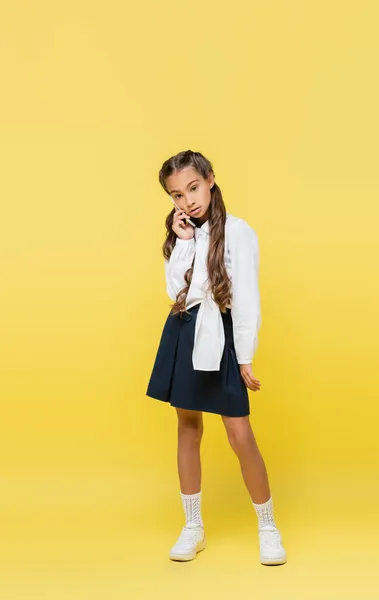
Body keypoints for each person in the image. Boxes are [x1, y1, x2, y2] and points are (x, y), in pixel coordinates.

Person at [146, 149, 287, 566]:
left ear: (209, 179)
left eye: (192, 187)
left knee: (239, 434)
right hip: (184, 330)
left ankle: (267, 525)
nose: (187, 200)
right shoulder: (181, 233)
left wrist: (244, 356)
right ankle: (193, 527)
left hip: (221, 333)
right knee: (187, 427)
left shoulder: (240, 232)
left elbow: (247, 300)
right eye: (176, 195)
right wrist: (185, 242)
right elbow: (177, 292)